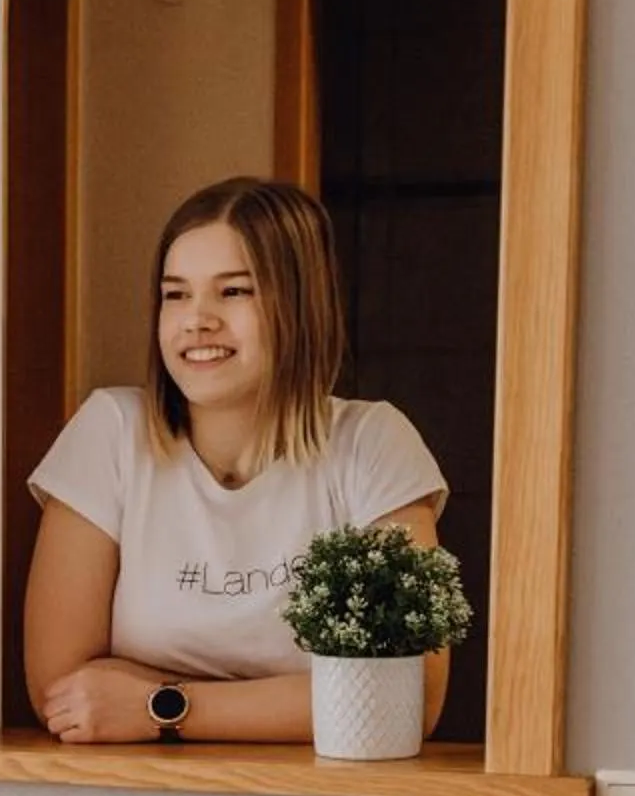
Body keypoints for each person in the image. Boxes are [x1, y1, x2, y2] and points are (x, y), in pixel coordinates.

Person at [23, 175, 452, 745]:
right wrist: (307, 697)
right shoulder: (109, 433)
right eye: (176, 293)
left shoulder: (372, 444)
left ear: (299, 306)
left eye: (233, 292)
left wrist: (159, 705)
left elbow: (403, 701)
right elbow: (66, 696)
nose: (196, 319)